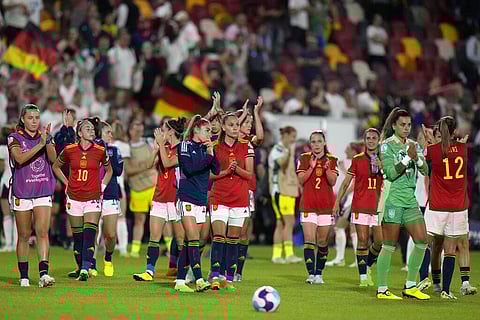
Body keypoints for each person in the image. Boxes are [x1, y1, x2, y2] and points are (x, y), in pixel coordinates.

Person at [376, 108, 430, 300]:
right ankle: (382, 289)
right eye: (402, 125)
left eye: (408, 125)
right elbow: (390, 173)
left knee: (422, 242)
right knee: (389, 245)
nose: (406, 128)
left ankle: (410, 285)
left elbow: (425, 170)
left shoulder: (414, 145)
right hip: (394, 201)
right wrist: (408, 158)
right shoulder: (386, 146)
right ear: (394, 126)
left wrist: (418, 158)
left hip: (410, 200)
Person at [52, 118, 113, 281]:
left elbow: (109, 171)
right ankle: (80, 267)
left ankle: (86, 268)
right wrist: (66, 183)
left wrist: (102, 187)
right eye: (88, 128)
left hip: (92, 197)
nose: (92, 131)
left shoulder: (100, 150)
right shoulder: (70, 149)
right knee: (78, 237)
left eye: (93, 129)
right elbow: (55, 167)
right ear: (79, 133)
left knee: (89, 234)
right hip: (74, 197)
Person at [423, 118, 477, 298]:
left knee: (425, 243)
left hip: (437, 204)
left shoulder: (433, 150)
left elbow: (426, 165)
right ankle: (446, 290)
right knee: (451, 248)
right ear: (455, 131)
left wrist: (429, 142)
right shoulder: (463, 149)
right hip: (457, 206)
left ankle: (425, 279)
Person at [8, 104, 57, 287]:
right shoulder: (14, 138)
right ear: (23, 119)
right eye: (30, 118)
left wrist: (48, 142)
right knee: (24, 235)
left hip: (43, 189)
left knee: (43, 232)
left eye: (37, 118)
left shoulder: (45, 137)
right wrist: (41, 145)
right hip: (22, 191)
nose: (34, 121)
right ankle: (24, 276)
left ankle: (44, 274)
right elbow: (20, 158)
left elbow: (53, 159)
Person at [133, 117, 187, 281]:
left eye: (163, 129)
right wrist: (156, 148)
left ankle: (186, 271)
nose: (160, 132)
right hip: (159, 197)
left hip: (176, 199)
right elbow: (149, 165)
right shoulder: (163, 147)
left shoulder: (182, 149)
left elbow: (167, 163)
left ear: (171, 132)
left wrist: (160, 147)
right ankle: (149, 271)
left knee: (180, 239)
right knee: (154, 237)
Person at [209, 112, 254, 291]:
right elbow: (209, 175)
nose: (236, 128)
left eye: (237, 125)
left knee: (233, 239)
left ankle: (229, 278)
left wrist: (236, 170)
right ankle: (215, 275)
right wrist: (227, 171)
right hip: (219, 196)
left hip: (239, 199)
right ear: (224, 127)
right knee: (219, 237)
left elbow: (249, 174)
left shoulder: (246, 146)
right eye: (232, 125)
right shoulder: (214, 147)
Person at [334, 128, 384, 287]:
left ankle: (367, 266)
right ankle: (363, 276)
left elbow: (392, 177)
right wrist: (337, 202)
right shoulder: (357, 159)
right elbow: (346, 182)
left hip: (377, 207)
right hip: (360, 205)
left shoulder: (384, 159)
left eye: (374, 138)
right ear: (364, 140)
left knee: (379, 242)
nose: (371, 140)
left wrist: (382, 166)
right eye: (368, 138)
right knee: (362, 241)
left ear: (378, 140)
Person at [174, 115, 217, 293]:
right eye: (207, 130)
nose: (210, 134)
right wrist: (207, 157)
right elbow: (190, 168)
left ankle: (179, 281)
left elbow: (217, 169)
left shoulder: (205, 149)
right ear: (196, 131)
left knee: (190, 242)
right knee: (192, 238)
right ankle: (199, 279)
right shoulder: (185, 146)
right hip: (186, 198)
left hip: (201, 199)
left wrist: (211, 153)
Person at [297, 130, 338, 284]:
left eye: (319, 141)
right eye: (313, 141)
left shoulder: (332, 159)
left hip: (326, 207)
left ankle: (319, 273)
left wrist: (327, 169)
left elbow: (333, 181)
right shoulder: (304, 158)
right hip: (308, 205)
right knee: (309, 240)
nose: (316, 144)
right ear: (310, 144)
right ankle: (311, 274)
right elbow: (301, 180)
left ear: (324, 143)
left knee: (322, 242)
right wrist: (311, 168)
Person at [235, 96, 264, 281]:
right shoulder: (226, 141)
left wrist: (255, 112)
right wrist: (242, 115)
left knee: (243, 233)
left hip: (247, 190)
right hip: (228, 190)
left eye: (251, 122)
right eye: (247, 122)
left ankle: (238, 271)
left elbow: (260, 137)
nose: (250, 124)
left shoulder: (249, 141)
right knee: (227, 232)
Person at [269, 126, 302, 264]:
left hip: (286, 189)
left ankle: (278, 255)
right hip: (279, 190)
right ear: (286, 135)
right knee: (288, 222)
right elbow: (281, 165)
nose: (294, 140)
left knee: (281, 223)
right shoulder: (277, 150)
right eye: (293, 136)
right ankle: (287, 254)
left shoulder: (286, 150)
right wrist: (288, 153)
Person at [95, 121, 123, 277]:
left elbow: (118, 171)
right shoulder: (90, 150)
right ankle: (90, 264)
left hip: (110, 194)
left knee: (110, 234)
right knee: (93, 233)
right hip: (93, 195)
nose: (111, 135)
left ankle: (108, 258)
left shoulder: (114, 150)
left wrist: (105, 154)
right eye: (108, 132)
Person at [126, 117, 157, 258]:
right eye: (135, 128)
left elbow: (157, 159)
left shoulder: (149, 142)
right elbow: (128, 170)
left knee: (162, 218)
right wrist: (146, 166)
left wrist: (140, 166)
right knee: (139, 220)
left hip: (153, 185)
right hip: (137, 187)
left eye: (140, 127)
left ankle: (169, 248)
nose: (138, 130)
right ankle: (135, 250)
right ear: (130, 130)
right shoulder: (126, 147)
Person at [112, 121, 130, 257]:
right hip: (119, 184)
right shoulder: (124, 146)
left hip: (108, 183)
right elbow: (126, 168)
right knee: (121, 217)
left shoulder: (104, 145)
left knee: (100, 218)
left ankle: (96, 248)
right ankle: (123, 247)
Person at [0, 124, 16, 252]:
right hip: (17, 180)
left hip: (6, 181)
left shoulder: (2, 148)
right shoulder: (20, 147)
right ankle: (16, 243)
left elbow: (0, 167)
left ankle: (9, 244)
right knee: (17, 215)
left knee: (6, 214)